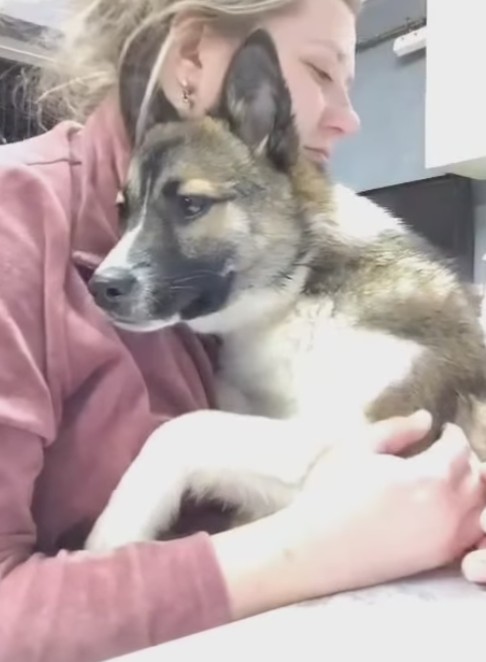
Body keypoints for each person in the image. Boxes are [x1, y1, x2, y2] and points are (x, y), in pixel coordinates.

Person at [0, 0, 485, 660]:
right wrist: (309, 548)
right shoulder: (19, 224)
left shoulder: (246, 267)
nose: (349, 118)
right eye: (320, 70)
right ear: (192, 58)